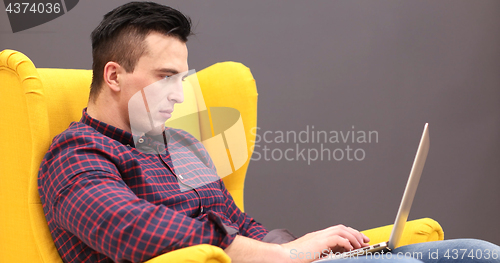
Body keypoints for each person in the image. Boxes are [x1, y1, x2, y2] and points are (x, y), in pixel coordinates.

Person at [38, 2, 500, 263]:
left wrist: (306, 246)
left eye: (182, 79)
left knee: (478, 253)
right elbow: (131, 229)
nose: (178, 96)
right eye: (165, 77)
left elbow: (239, 224)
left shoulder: (179, 145)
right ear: (115, 76)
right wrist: (283, 257)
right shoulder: (77, 154)